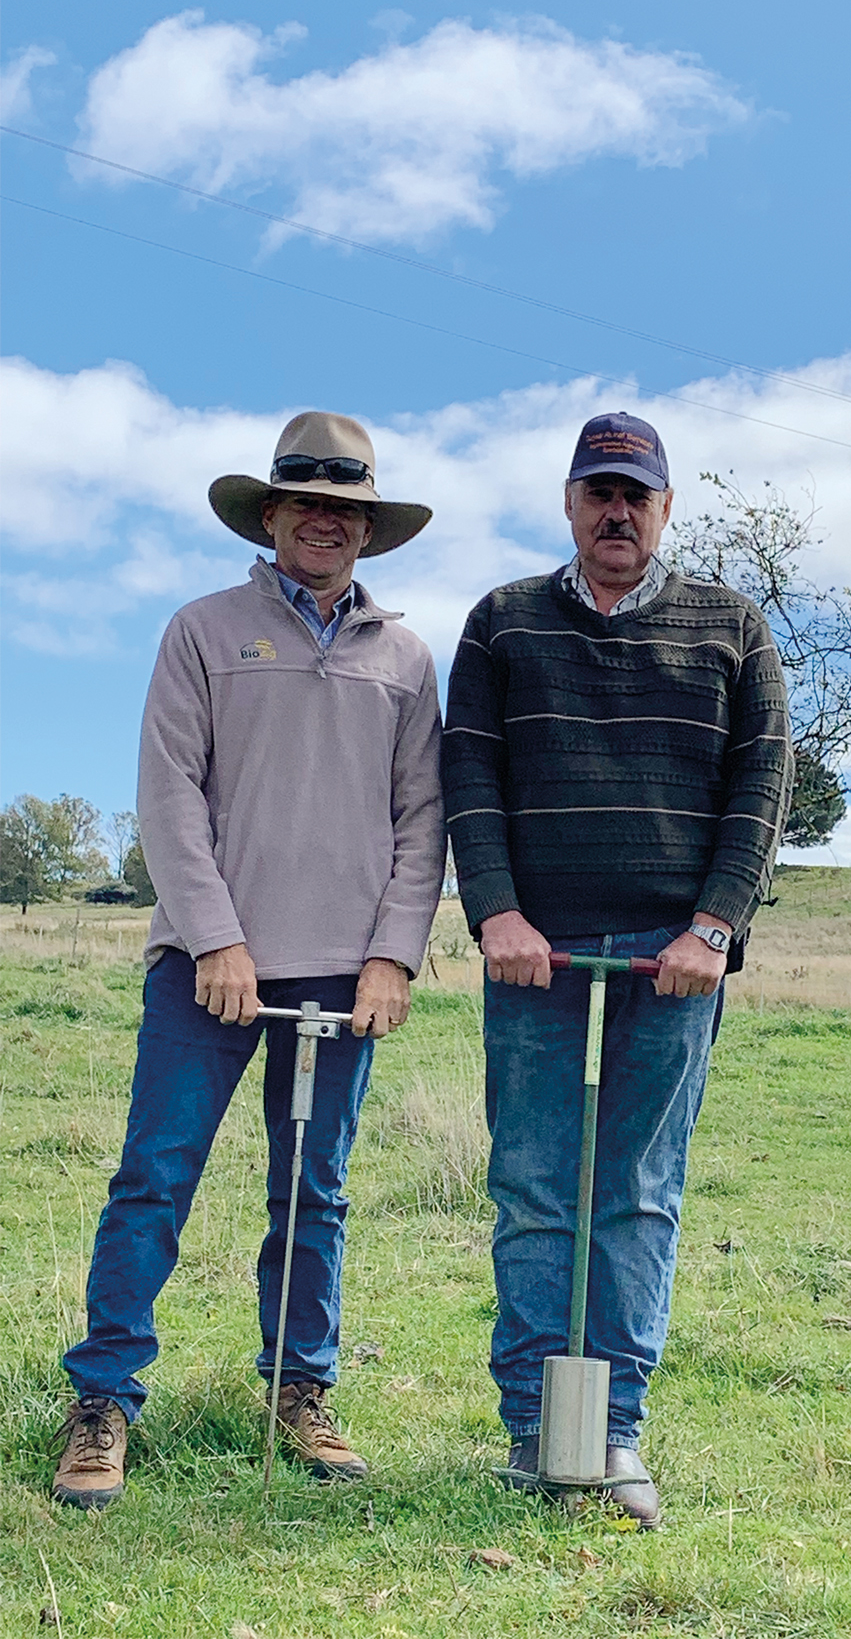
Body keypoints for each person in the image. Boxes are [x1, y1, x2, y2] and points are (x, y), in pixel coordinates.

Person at [51, 412, 445, 1509]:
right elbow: (169, 794)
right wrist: (217, 935)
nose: (326, 518)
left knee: (313, 1192)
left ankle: (298, 1387)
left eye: (348, 506)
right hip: (206, 968)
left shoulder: (407, 658)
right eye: (306, 499)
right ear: (269, 515)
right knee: (154, 1176)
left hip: (340, 979)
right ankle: (103, 1400)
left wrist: (391, 958)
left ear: (368, 528)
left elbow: (423, 820)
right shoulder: (203, 630)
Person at [442, 411, 792, 1527]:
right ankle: (535, 1430)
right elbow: (469, 779)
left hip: (672, 957)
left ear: (665, 508)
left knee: (637, 1193)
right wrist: (495, 910)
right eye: (598, 490)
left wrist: (712, 928)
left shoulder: (730, 627)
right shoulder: (501, 623)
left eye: (636, 494)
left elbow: (758, 786)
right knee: (534, 1188)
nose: (616, 511)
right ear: (568, 500)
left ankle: (617, 1428)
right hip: (532, 954)